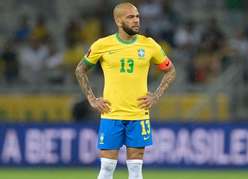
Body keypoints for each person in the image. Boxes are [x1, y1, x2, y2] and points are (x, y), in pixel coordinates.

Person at [75, 2, 176, 179]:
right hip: (111, 114)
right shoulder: (102, 45)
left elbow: (170, 70)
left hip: (138, 114)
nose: (136, 20)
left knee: (136, 169)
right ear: (118, 21)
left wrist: (156, 95)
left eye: (137, 16)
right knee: (107, 167)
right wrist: (91, 99)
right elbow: (80, 69)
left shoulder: (149, 45)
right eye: (130, 17)